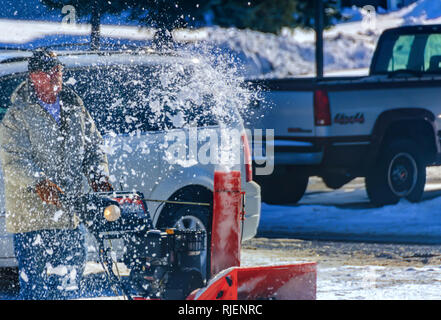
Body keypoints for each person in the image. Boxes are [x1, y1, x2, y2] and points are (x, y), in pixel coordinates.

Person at [0, 49, 113, 300]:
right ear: (33, 77)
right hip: (32, 221)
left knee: (70, 289)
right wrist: (39, 182)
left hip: (69, 217)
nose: (53, 76)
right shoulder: (18, 113)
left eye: (56, 70)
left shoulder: (74, 106)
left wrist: (98, 175)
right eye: (46, 71)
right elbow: (13, 161)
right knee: (36, 293)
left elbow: (93, 147)